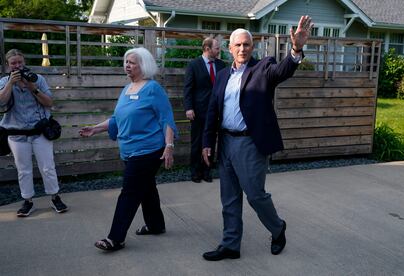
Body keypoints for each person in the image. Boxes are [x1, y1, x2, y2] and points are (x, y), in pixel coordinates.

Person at [201, 16, 313, 260]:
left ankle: (277, 228)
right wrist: (207, 143)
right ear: (230, 49)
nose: (242, 49)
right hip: (226, 142)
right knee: (229, 198)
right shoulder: (221, 76)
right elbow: (212, 111)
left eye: (247, 45)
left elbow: (282, 71)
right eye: (238, 45)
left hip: (250, 143)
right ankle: (230, 244)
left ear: (253, 48)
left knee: (255, 194)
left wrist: (296, 49)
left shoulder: (263, 68)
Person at [79, 47, 177, 251]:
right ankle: (155, 225)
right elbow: (117, 118)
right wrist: (96, 129)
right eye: (126, 61)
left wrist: (169, 146)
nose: (127, 65)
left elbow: (166, 118)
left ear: (144, 65)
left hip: (148, 150)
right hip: (129, 149)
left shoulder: (153, 89)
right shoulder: (127, 89)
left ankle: (115, 238)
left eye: (132, 62)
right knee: (147, 189)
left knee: (130, 192)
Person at [0, 49, 68, 217]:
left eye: (20, 62)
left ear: (24, 62)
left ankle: (54, 197)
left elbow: (49, 102)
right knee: (23, 169)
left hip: (40, 131)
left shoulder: (38, 79)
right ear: (8, 66)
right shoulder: (3, 81)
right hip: (16, 134)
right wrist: (10, 83)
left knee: (47, 167)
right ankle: (27, 201)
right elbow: (1, 102)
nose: (17, 66)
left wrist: (33, 88)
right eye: (13, 63)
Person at [183, 37, 226, 183]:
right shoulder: (194, 65)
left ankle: (208, 171)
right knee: (197, 143)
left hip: (216, 111)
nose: (219, 51)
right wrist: (188, 108)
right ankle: (196, 172)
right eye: (217, 48)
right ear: (207, 49)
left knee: (211, 141)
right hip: (198, 111)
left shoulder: (221, 65)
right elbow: (188, 88)